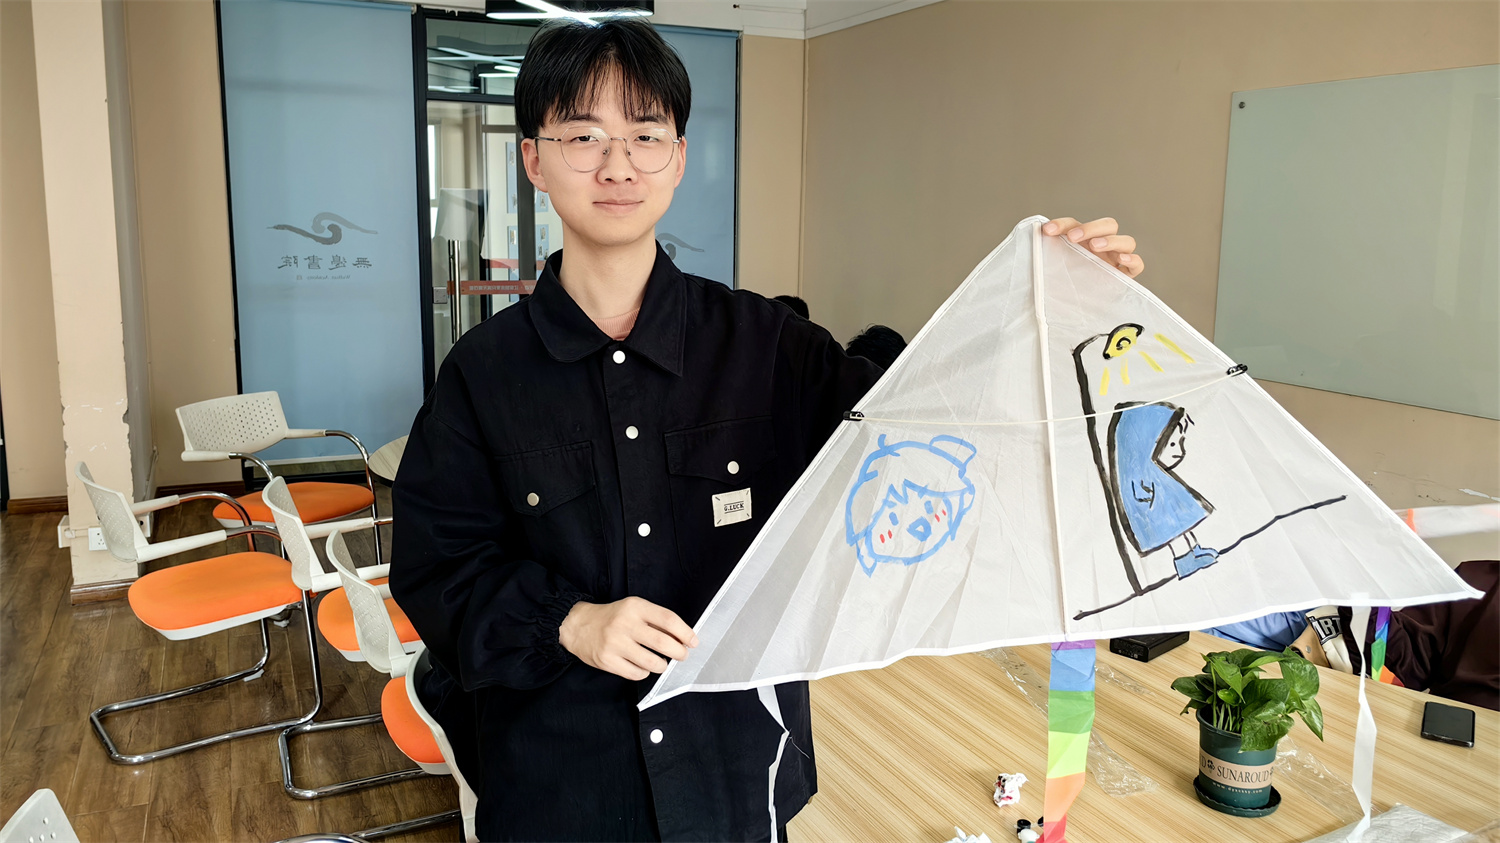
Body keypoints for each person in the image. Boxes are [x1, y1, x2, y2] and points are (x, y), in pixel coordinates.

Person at [390, 17, 1148, 841]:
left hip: (737, 772)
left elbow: (916, 427)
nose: (618, 164)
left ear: (679, 156)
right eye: (583, 136)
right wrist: (570, 620)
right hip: (562, 785)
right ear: (534, 159)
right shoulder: (483, 374)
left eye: (645, 134)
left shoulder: (764, 345)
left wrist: (1047, 322)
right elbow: (438, 568)